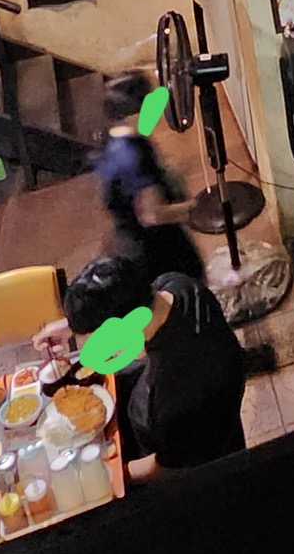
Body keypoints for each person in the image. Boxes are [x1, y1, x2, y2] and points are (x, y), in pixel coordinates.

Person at [44, 254, 246, 477]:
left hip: (197, 464)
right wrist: (74, 325)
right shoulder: (177, 285)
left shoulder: (174, 399)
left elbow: (168, 466)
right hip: (203, 416)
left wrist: (111, 474)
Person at [93, 71, 208, 284]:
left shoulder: (113, 139)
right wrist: (197, 209)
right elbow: (152, 214)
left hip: (128, 242)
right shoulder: (133, 158)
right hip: (155, 251)